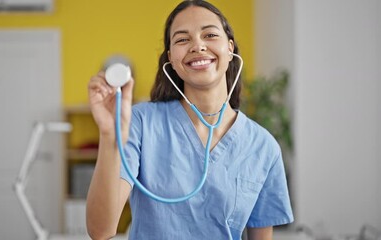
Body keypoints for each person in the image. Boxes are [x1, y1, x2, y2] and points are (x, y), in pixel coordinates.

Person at [86, 1, 294, 239]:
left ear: (229, 48)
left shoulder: (263, 146)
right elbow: (100, 231)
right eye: (182, 39)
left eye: (210, 34)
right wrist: (109, 135)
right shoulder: (140, 123)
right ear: (171, 59)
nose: (198, 45)